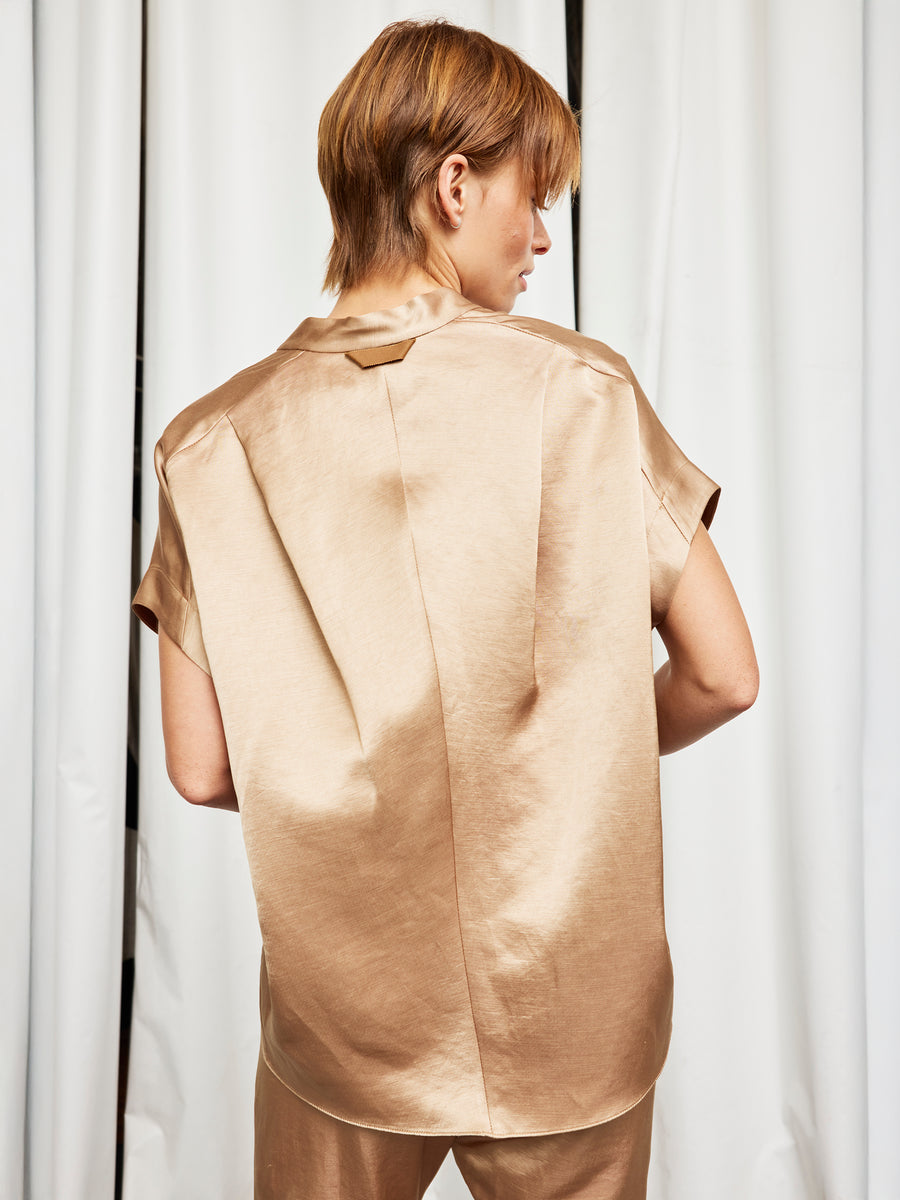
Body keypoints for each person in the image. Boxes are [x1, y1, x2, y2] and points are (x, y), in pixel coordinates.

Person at [133, 18, 758, 1200]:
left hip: (340, 1012)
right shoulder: (582, 393)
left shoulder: (209, 446)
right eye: (535, 194)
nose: (542, 235)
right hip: (572, 1000)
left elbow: (204, 770)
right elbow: (726, 674)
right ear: (453, 184)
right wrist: (583, 752)